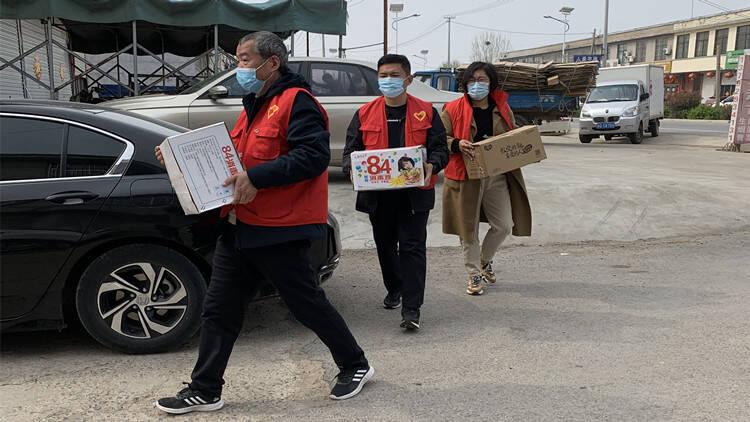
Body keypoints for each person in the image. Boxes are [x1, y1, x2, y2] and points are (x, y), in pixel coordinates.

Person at [153, 31, 372, 415]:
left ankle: (355, 364)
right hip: (239, 225)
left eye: (243, 59)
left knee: (305, 304)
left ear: (272, 63)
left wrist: (258, 179)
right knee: (219, 309)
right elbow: (235, 160)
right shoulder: (254, 104)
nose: (238, 68)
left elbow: (313, 157)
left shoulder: (296, 102)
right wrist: (179, 157)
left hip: (279, 228)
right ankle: (205, 388)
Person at [343, 54, 448, 331]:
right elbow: (350, 151)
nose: (388, 80)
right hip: (379, 197)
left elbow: (440, 149)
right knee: (386, 246)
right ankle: (395, 287)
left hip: (414, 196)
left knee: (412, 248)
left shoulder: (426, 112)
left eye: (394, 75)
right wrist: (351, 169)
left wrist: (432, 164)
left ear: (408, 80)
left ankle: (412, 309)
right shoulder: (364, 113)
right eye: (383, 75)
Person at [441, 61, 532, 296]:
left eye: (482, 80)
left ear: (491, 83)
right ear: (465, 83)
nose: (476, 84)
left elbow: (513, 137)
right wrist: (456, 143)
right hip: (465, 176)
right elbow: (439, 137)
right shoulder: (452, 108)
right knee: (468, 229)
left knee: (503, 225)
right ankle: (473, 274)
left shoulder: (501, 107)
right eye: (472, 80)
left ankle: (483, 260)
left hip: (496, 174)